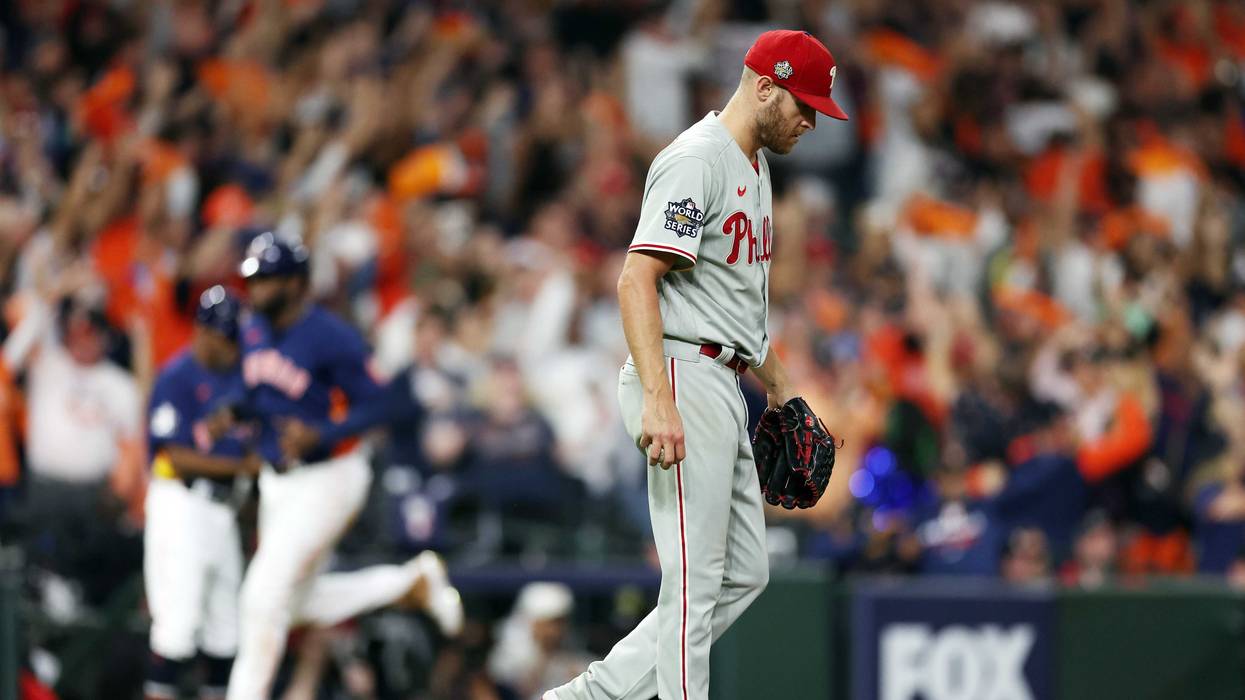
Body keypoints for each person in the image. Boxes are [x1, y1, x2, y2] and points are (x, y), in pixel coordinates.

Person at [547, 29, 848, 700]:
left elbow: (734, 307)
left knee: (744, 570)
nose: (808, 122)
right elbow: (635, 279)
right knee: (692, 580)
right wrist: (659, 400)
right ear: (763, 86)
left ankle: (586, 698)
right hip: (679, 373)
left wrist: (783, 389)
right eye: (802, 106)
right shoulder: (696, 159)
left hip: (722, 376)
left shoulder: (756, 166)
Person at [226, 233, 461, 699]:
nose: (254, 289)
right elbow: (258, 393)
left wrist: (325, 432)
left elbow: (385, 404)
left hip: (330, 477)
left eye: (266, 280)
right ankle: (408, 582)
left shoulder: (331, 335)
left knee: (262, 595)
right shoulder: (253, 328)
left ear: (295, 283)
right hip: (280, 481)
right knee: (288, 604)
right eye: (252, 279)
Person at [143, 286, 259, 700]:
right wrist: (241, 468)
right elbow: (172, 457)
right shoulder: (177, 376)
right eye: (224, 337)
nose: (230, 346)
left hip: (223, 511)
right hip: (182, 505)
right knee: (176, 629)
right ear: (203, 332)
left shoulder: (238, 381)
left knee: (225, 633)